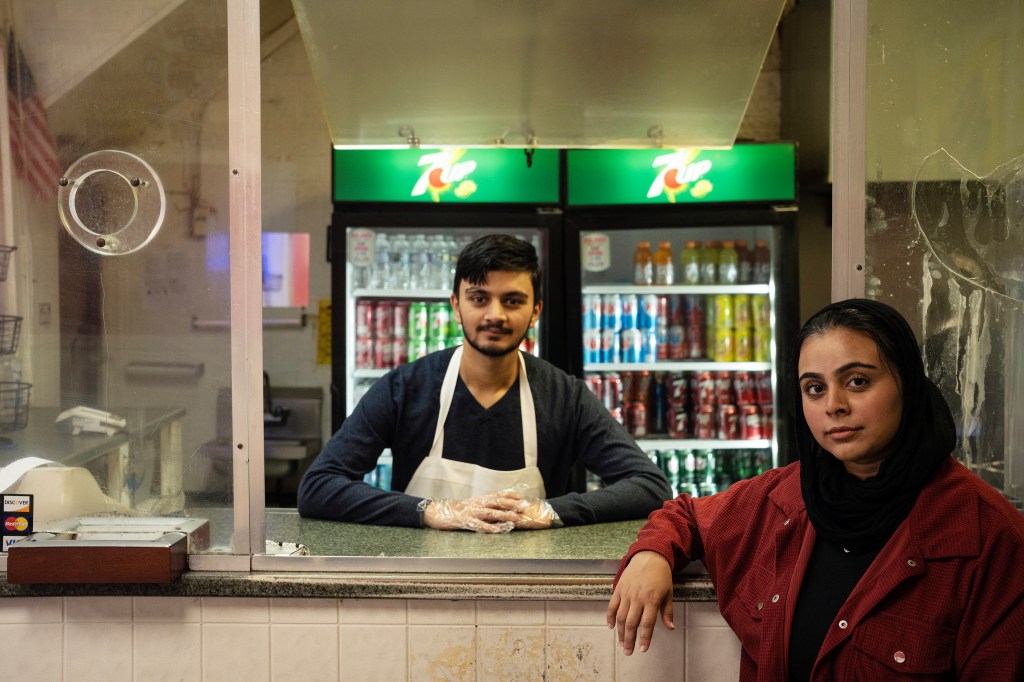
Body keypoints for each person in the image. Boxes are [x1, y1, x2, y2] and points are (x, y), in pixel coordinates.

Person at [607, 298, 1024, 680]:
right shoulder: (783, 497)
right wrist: (651, 555)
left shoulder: (987, 534)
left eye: (857, 381)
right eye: (815, 388)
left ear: (908, 385)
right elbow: (688, 516)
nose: (833, 405)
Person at [299, 233, 671, 532]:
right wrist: (430, 511)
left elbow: (650, 486)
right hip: (418, 580)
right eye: (479, 298)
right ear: (456, 306)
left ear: (535, 311)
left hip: (533, 581)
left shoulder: (564, 397)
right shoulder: (405, 389)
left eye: (512, 301)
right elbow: (318, 486)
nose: (495, 314)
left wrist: (550, 511)